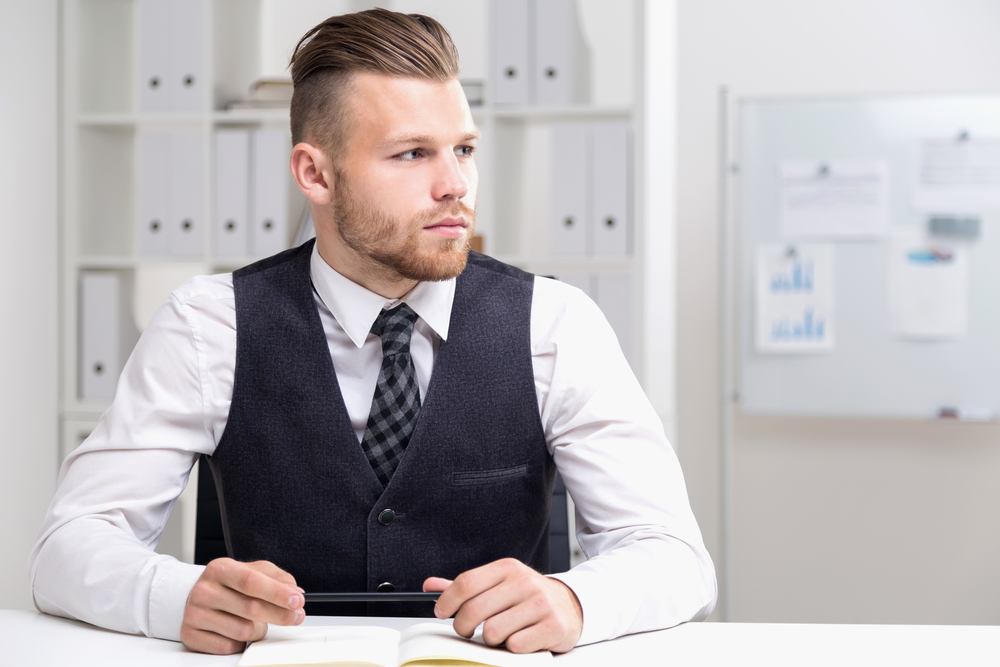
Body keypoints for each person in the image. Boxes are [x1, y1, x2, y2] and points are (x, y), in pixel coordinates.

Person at [29, 8, 716, 656]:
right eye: (412, 154)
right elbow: (68, 546)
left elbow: (676, 554)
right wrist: (172, 595)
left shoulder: (557, 325)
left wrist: (572, 598)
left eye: (464, 148)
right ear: (315, 174)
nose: (455, 185)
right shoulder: (209, 326)